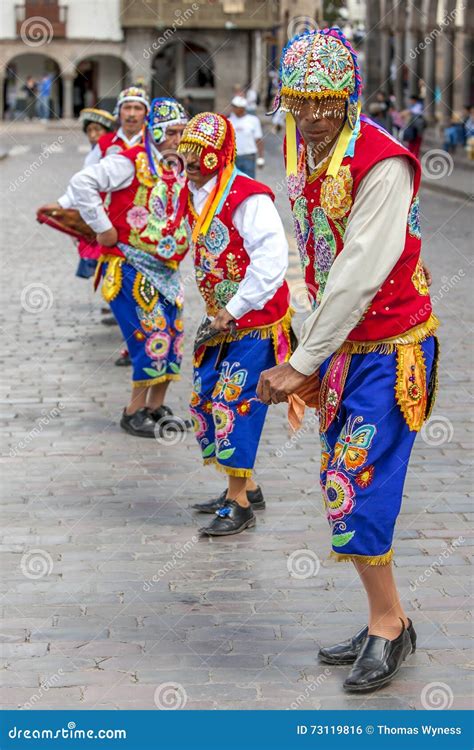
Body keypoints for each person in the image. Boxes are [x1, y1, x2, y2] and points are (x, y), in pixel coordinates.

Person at [258, 27, 439, 693]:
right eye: (298, 102)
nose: (307, 118)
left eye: (322, 103)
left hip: (391, 350)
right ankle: (385, 617)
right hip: (344, 349)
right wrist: (309, 343)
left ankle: (390, 627)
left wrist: (304, 358)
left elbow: (361, 271)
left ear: (347, 98)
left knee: (355, 483)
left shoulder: (382, 163)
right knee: (343, 483)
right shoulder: (314, 156)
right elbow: (318, 260)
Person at [40, 98, 190, 438]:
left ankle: (156, 407)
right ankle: (133, 412)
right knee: (149, 338)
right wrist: (104, 228)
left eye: (183, 132)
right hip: (132, 264)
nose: (179, 139)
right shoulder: (130, 161)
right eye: (172, 132)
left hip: (166, 269)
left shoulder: (176, 166)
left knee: (172, 338)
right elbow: (82, 183)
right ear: (156, 132)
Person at [176, 112, 291, 536]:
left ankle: (239, 504)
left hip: (254, 321)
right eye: (186, 151)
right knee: (206, 399)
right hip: (221, 319)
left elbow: (271, 263)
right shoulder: (194, 193)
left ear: (219, 154)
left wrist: (233, 309)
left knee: (233, 404)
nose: (189, 159)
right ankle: (245, 486)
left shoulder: (248, 197)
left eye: (199, 152)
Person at [74, 108, 117, 280]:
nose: (93, 135)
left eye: (97, 130)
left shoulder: (110, 150)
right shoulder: (95, 151)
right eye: (89, 130)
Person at [84, 86, 149, 167]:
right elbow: (88, 172)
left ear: (146, 113)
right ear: (118, 112)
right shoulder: (104, 142)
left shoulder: (152, 142)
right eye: (127, 108)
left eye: (138, 108)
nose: (132, 114)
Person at [229, 96, 264, 178]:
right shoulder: (229, 121)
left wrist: (261, 158)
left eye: (236, 107)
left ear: (242, 108)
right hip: (233, 158)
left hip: (248, 157)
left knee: (249, 182)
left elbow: (258, 139)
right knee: (234, 183)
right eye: (233, 106)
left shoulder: (253, 120)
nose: (233, 109)